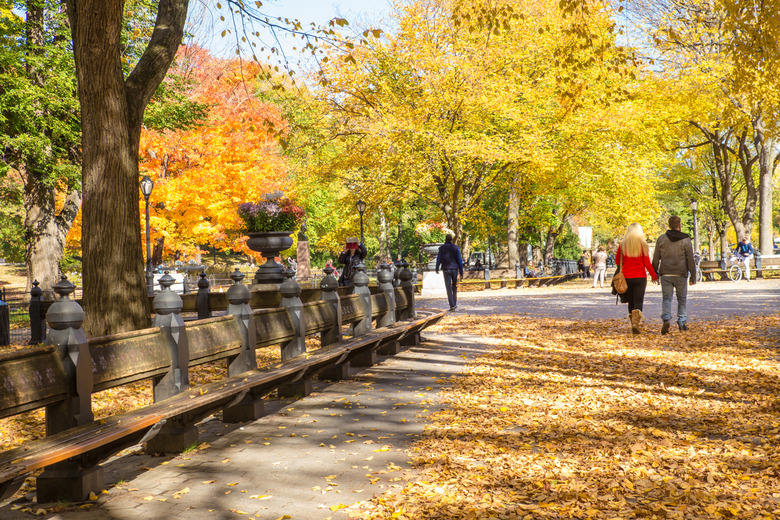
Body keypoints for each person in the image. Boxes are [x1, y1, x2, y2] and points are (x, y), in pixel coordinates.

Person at [652, 216, 696, 334]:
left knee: (667, 298)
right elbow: (690, 259)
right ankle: (681, 322)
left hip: (666, 273)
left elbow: (656, 258)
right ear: (679, 225)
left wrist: (654, 272)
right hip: (680, 273)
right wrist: (693, 275)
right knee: (681, 299)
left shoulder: (662, 239)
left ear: (669, 225)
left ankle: (666, 319)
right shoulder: (685, 239)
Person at [616, 223, 658, 334]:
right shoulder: (643, 244)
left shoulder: (623, 244)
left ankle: (632, 324)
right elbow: (647, 263)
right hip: (640, 277)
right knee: (638, 302)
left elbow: (617, 261)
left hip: (626, 277)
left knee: (631, 301)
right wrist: (654, 276)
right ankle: (636, 323)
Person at [435, 234, 464, 311]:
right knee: (454, 286)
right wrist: (461, 271)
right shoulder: (456, 248)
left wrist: (437, 267)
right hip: (454, 269)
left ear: (445, 239)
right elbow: (459, 260)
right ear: (451, 239)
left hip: (446, 269)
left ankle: (452, 305)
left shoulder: (442, 248)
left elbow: (439, 259)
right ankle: (454, 303)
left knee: (448, 287)